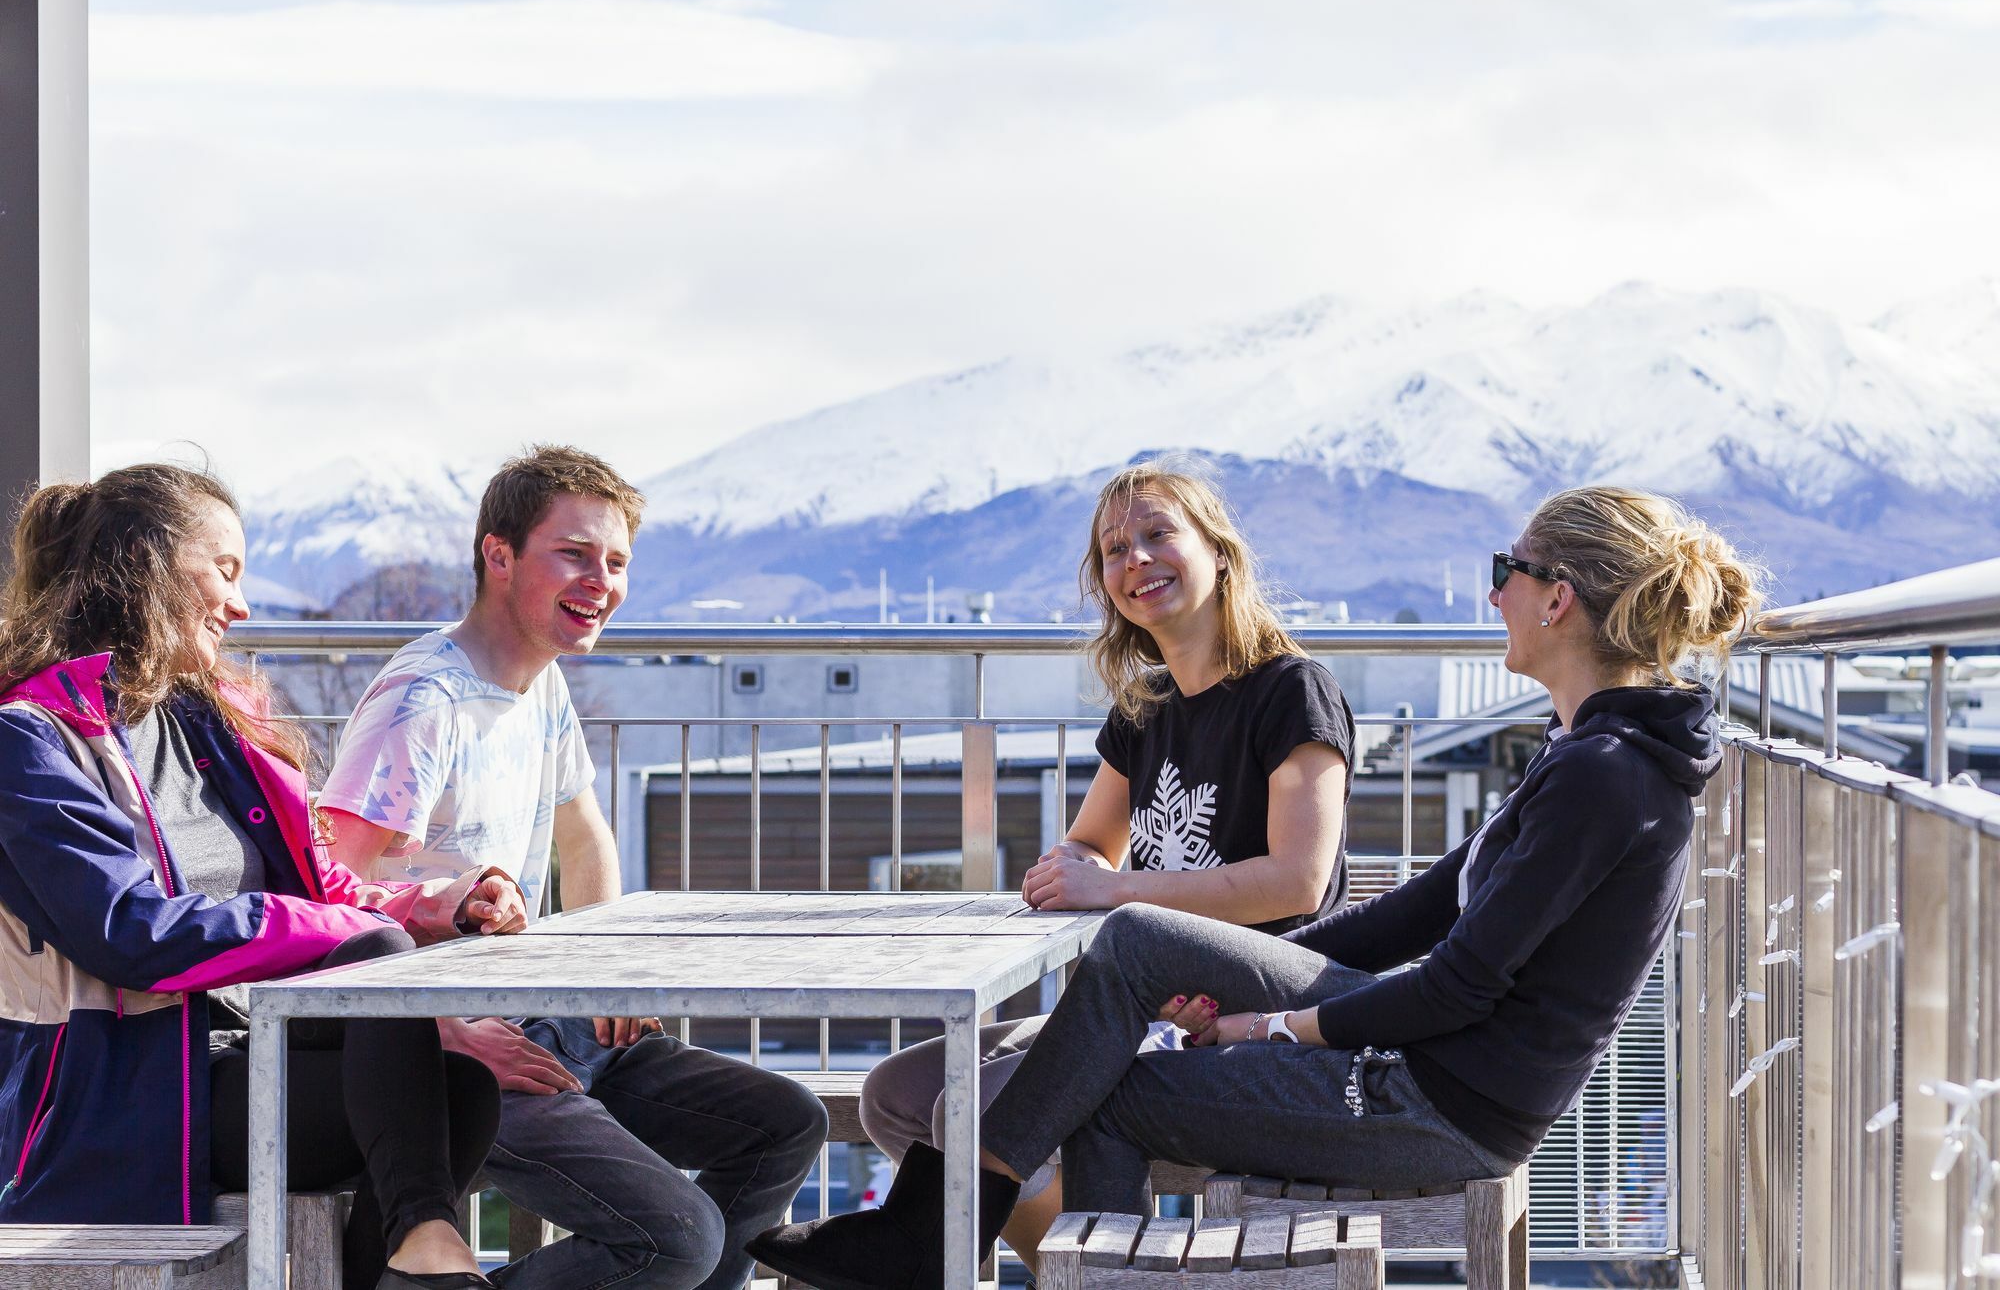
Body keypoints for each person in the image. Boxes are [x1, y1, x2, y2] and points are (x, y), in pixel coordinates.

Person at [749, 484, 1764, 1290]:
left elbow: (1454, 986)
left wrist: (1264, 1028)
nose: (1491, 590)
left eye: (1506, 570)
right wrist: (1252, 989)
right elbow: (1414, 912)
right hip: (1429, 1062)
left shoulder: (1603, 774)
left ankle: (925, 1237)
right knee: (1124, 978)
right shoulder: (1581, 753)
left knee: (1122, 1006)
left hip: (1442, 1096)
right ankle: (929, 1237)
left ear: (1557, 598)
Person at [0, 465, 522, 1290]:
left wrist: (437, 908)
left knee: (463, 1086)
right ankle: (429, 1257)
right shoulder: (31, 739)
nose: (241, 605)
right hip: (121, 1094)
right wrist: (345, 933)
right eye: (227, 570)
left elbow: (323, 897)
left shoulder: (211, 724)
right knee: (396, 999)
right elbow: (126, 933)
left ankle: (422, 1255)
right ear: (149, 565)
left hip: (243, 1058)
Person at [319, 445, 827, 1290]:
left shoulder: (539, 683)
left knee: (784, 1122)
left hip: (553, 1018)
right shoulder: (423, 702)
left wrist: (608, 980)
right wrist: (437, 1034)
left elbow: (584, 838)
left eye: (617, 561)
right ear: (498, 554)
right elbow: (324, 900)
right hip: (458, 1056)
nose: (603, 580)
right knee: (678, 1239)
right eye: (577, 554)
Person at [856, 457, 1355, 1269]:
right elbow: (1093, 840)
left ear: (1219, 552)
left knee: (967, 1109)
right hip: (1140, 1001)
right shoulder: (1146, 707)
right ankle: (1093, 1272)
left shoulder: (1293, 691)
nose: (1137, 560)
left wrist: (1114, 887)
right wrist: (1072, 869)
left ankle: (1103, 1273)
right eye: (1115, 549)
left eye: (1160, 535)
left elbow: (1296, 880)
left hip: (1253, 1013)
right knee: (896, 1094)